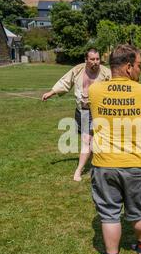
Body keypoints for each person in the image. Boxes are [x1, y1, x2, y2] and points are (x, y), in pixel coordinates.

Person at [86, 44, 141, 254]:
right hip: (135, 162)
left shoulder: (95, 91)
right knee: (140, 209)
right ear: (128, 67)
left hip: (105, 162)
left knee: (109, 213)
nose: (140, 70)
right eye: (138, 66)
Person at [42, 49, 111, 181]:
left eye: (97, 59)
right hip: (82, 111)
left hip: (99, 112)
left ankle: (78, 171)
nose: (96, 62)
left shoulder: (105, 72)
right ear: (86, 60)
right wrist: (51, 92)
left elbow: (116, 85)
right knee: (90, 140)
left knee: (88, 140)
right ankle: (94, 163)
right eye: (92, 59)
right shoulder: (78, 70)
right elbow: (65, 82)